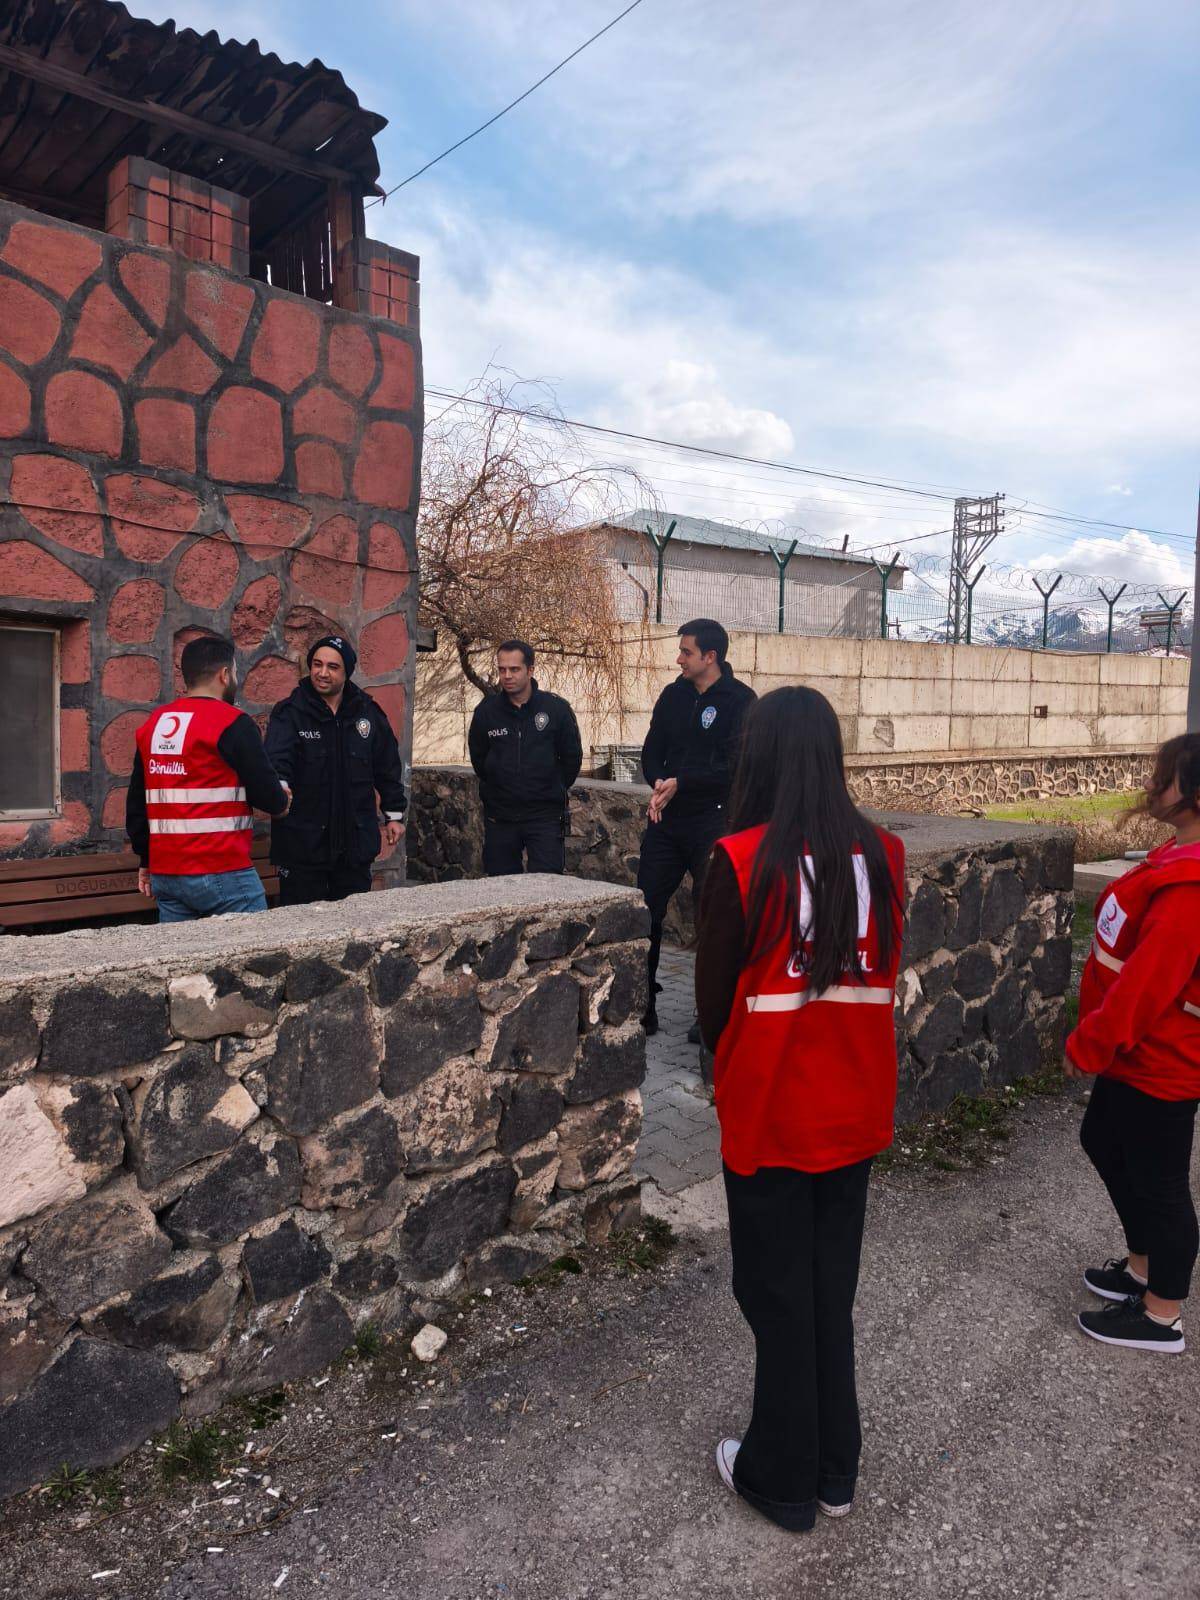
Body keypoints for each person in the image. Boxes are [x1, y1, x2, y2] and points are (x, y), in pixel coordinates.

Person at [695, 685, 905, 1532]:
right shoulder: (885, 853)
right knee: (828, 1290)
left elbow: (712, 1005)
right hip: (852, 1107)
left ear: (760, 756)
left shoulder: (741, 859)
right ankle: (834, 1466)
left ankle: (780, 1477)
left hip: (773, 1113)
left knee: (774, 1295)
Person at [1067, 731, 1200, 1355]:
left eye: (1165, 777)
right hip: (1134, 1055)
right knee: (1102, 1140)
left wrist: (1089, 1044)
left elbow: (1144, 990)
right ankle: (1143, 1266)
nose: (1153, 785)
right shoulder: (1173, 859)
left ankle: (1161, 1315)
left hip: (1162, 1061)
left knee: (1162, 1183)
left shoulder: (1189, 891)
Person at [638, 618, 755, 1036]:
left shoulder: (741, 701)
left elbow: (737, 766)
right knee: (645, 909)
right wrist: (657, 782)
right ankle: (642, 1005)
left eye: (686, 652)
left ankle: (708, 1016)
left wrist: (684, 783)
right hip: (666, 821)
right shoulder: (673, 696)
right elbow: (651, 751)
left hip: (714, 822)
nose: (679, 659)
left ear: (710, 656)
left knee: (714, 922)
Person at [127, 635, 289, 923]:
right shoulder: (232, 723)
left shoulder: (154, 724)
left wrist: (146, 860)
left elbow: (138, 801)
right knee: (258, 954)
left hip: (167, 873)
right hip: (223, 869)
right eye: (235, 672)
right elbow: (268, 795)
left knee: (180, 964)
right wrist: (282, 801)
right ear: (224, 675)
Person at [265, 634, 407, 906]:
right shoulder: (290, 713)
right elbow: (277, 763)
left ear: (347, 672)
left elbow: (387, 767)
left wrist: (394, 815)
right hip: (303, 849)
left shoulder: (367, 713)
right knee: (300, 930)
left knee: (352, 929)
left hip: (353, 850)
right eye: (317, 664)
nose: (322, 673)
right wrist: (279, 789)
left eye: (332, 667)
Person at [467, 639, 583, 876]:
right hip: (501, 818)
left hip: (544, 819)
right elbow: (479, 758)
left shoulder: (555, 710)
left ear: (530, 670)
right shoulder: (487, 712)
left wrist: (552, 787)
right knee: (501, 890)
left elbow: (571, 759)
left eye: (514, 669)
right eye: (502, 669)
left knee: (547, 889)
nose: (507, 675)